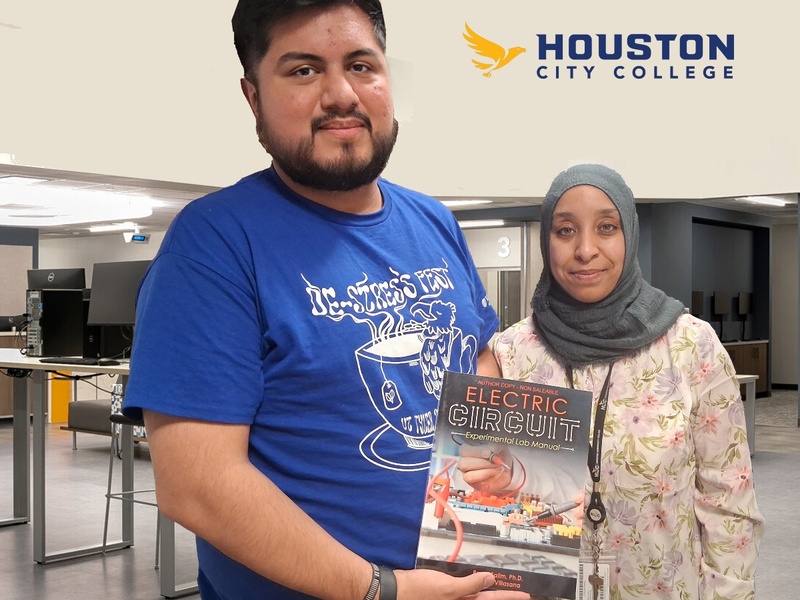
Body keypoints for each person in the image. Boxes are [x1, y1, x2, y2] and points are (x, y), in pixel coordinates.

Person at [122, 1, 532, 599]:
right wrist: (380, 590)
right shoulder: (214, 243)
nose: (342, 94)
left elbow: (479, 361)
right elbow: (198, 485)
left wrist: (506, 540)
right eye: (303, 70)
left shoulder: (434, 220)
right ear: (252, 97)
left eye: (362, 65)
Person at [470, 163, 764, 599]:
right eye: (565, 231)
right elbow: (486, 490)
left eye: (606, 227)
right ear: (546, 241)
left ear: (630, 233)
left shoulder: (690, 347)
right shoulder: (511, 354)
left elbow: (729, 501)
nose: (585, 250)